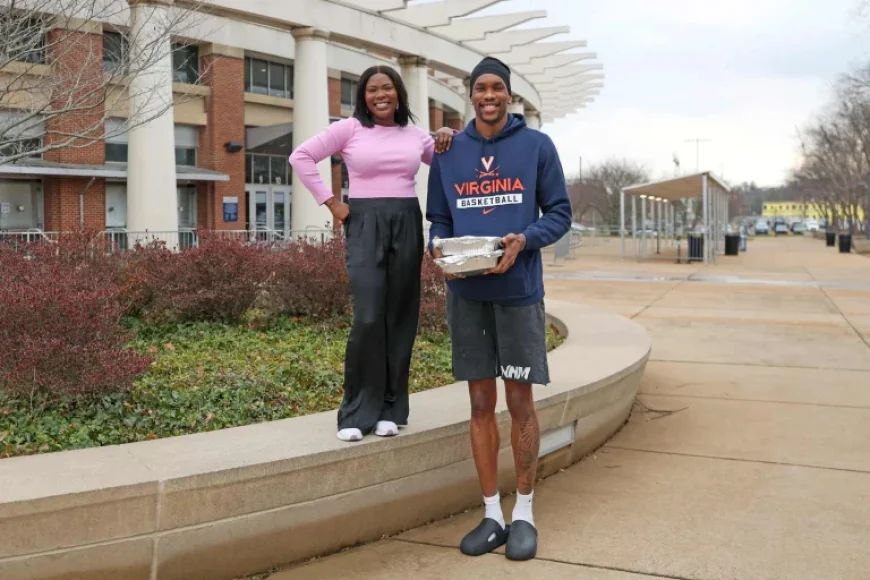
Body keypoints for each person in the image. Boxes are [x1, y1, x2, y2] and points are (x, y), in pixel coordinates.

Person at [426, 56, 572, 561]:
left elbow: (560, 214)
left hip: (518, 294)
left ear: (509, 95)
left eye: (497, 88)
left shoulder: (536, 146)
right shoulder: (449, 151)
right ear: (470, 95)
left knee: (521, 404)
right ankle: (491, 514)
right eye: (480, 88)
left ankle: (524, 512)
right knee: (480, 406)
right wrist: (439, 251)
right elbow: (439, 219)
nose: (489, 96)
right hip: (468, 298)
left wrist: (523, 240)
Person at [289, 65, 455, 443]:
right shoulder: (348, 129)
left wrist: (449, 134)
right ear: (363, 95)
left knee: (399, 317)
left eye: (387, 88)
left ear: (399, 93)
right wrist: (331, 202)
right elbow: (301, 157)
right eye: (372, 90)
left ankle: (390, 409)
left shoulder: (415, 135)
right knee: (367, 317)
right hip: (364, 222)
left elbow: (452, 159)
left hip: (406, 220)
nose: (380, 95)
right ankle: (356, 410)